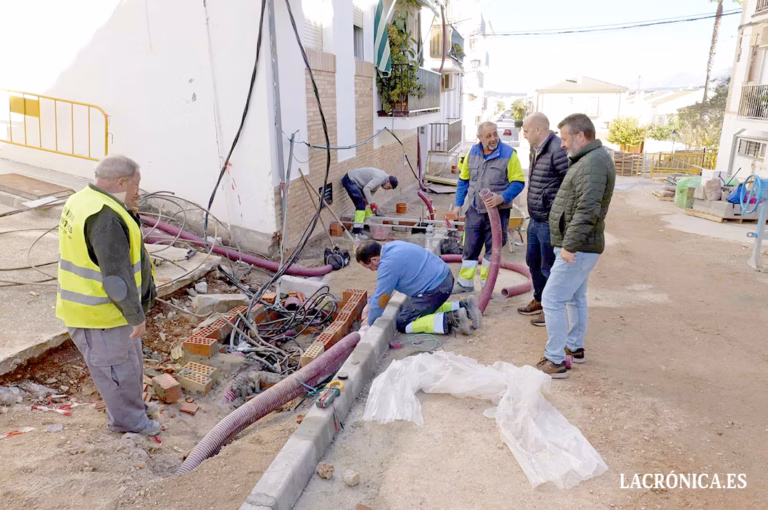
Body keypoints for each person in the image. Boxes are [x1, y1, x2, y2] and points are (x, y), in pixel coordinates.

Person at [56, 155, 161, 435]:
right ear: (121, 182)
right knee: (118, 373)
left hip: (106, 311)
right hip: (100, 314)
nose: (139, 190)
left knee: (130, 365)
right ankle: (130, 423)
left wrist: (131, 212)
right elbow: (116, 278)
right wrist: (135, 314)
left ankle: (135, 408)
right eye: (136, 184)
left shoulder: (84, 199)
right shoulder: (106, 219)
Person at [536, 114, 615, 379]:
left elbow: (587, 209)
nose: (562, 144)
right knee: (574, 297)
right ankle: (574, 347)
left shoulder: (593, 163)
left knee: (552, 299)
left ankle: (555, 360)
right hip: (581, 245)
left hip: (578, 247)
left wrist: (569, 246)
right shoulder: (589, 159)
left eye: (565, 138)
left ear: (581, 136)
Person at [451, 121, 525, 293]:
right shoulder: (472, 152)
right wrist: (458, 205)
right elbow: (463, 181)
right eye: (488, 135)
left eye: (495, 134)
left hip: (498, 213)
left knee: (493, 251)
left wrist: (501, 197)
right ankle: (465, 283)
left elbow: (518, 183)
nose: (493, 138)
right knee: (470, 247)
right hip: (475, 210)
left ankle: (487, 286)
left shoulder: (509, 154)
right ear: (479, 137)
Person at [356, 240, 480, 335]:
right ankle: (464, 306)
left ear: (374, 260)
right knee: (419, 308)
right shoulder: (392, 246)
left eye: (369, 267)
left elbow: (382, 298)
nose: (371, 270)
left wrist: (369, 321)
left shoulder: (387, 265)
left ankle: (454, 318)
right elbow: (382, 288)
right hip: (444, 278)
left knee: (403, 322)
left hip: (436, 289)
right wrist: (370, 304)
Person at [518, 113, 569, 327]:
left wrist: (556, 212)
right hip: (535, 218)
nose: (524, 135)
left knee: (549, 267)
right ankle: (539, 299)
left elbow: (570, 184)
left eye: (526, 131)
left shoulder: (557, 150)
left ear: (538, 130)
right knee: (533, 261)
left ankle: (551, 311)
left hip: (549, 221)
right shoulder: (536, 149)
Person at [341, 168, 398, 239]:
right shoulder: (380, 178)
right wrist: (372, 203)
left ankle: (364, 226)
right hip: (350, 180)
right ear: (388, 181)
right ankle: (356, 232)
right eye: (389, 187)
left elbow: (372, 190)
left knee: (365, 204)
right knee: (361, 206)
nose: (387, 189)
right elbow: (366, 189)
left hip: (355, 182)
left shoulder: (383, 179)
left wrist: (369, 201)